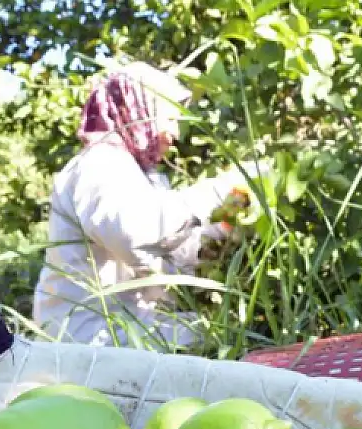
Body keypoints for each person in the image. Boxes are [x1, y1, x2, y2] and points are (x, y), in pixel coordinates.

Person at [32, 61, 266, 349]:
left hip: (124, 325)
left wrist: (227, 226)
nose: (175, 134)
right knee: (213, 340)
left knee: (212, 334)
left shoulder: (139, 174)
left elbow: (178, 252)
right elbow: (143, 239)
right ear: (138, 109)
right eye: (168, 119)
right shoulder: (100, 165)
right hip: (87, 336)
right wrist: (221, 190)